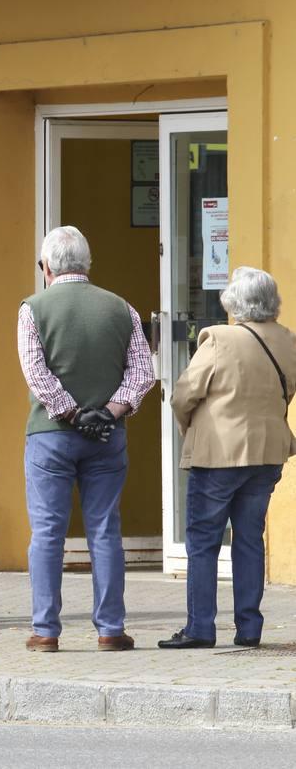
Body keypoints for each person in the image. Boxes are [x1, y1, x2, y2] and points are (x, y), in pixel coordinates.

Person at [18, 226, 155, 653]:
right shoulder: (122, 308)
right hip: (107, 438)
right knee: (104, 530)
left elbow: (36, 373)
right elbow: (143, 372)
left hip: (51, 436)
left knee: (47, 533)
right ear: (87, 266)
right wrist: (109, 413)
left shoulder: (32, 308)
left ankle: (46, 631)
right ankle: (111, 629)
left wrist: (72, 413)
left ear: (46, 268)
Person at [158, 267, 296, 650]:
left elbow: (184, 394)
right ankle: (249, 628)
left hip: (218, 454)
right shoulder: (287, 340)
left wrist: (192, 428)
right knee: (250, 539)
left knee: (203, 541)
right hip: (267, 453)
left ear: (234, 301)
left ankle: (201, 627)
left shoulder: (219, 339)